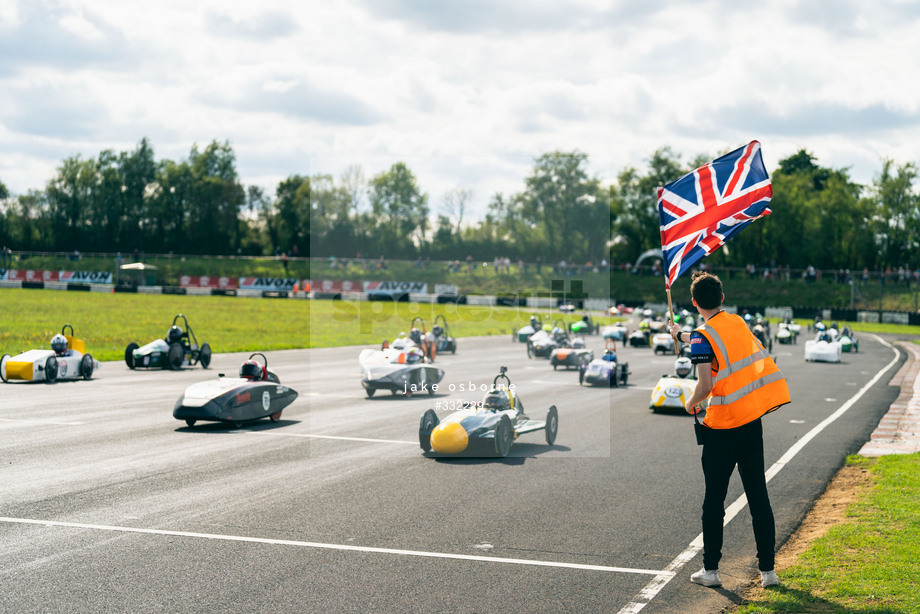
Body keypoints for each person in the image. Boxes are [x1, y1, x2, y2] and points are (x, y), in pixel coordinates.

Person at [668, 271, 790, 590]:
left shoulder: (701, 335)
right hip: (751, 422)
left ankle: (710, 570)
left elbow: (705, 383)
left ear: (695, 303)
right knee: (757, 496)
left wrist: (690, 403)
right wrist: (681, 335)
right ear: (722, 298)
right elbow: (709, 339)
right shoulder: (737, 323)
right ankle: (768, 572)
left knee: (714, 501)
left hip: (721, 427)